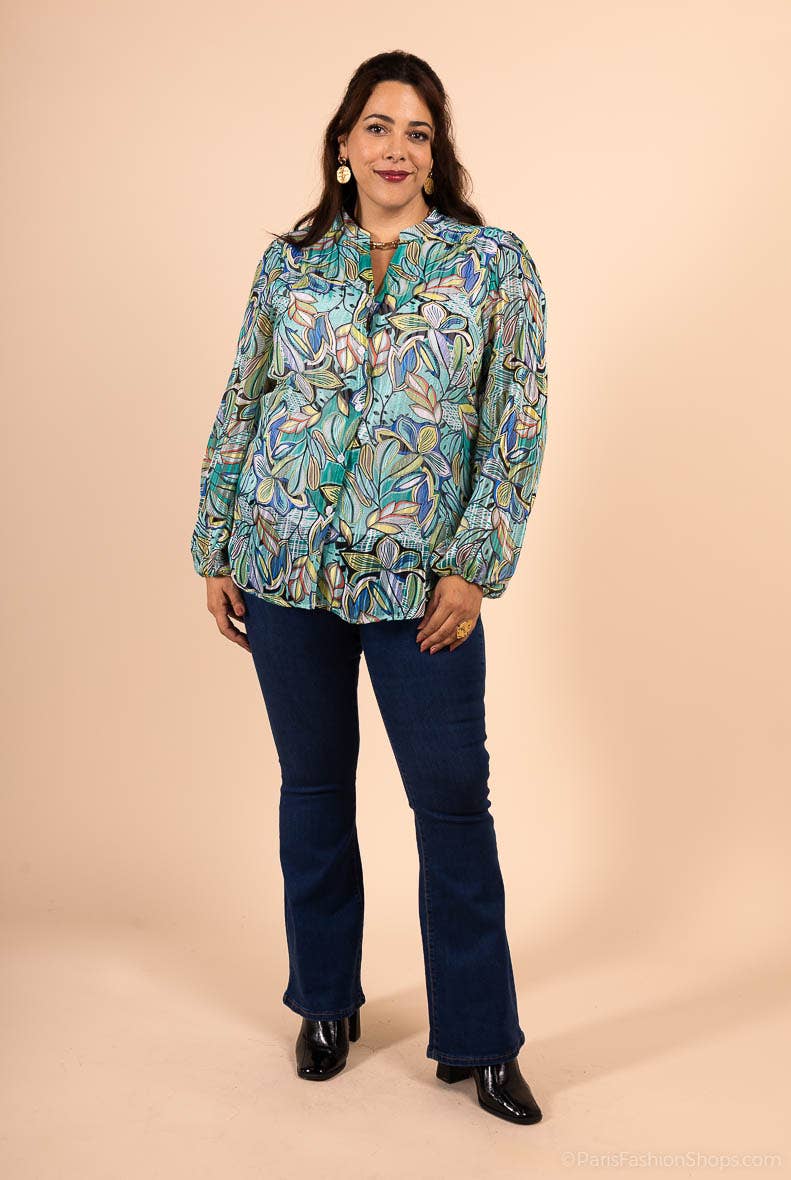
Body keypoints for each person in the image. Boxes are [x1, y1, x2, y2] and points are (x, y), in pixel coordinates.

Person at [189, 50, 548, 1126]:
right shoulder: (290, 266)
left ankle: (480, 1041)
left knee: (452, 799)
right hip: (282, 562)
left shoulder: (493, 266)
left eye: (417, 132)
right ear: (343, 145)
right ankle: (324, 1004)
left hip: (420, 583)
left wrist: (473, 566)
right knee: (312, 790)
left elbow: (516, 421)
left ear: (437, 154)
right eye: (378, 127)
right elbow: (244, 397)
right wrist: (215, 545)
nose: (397, 148)